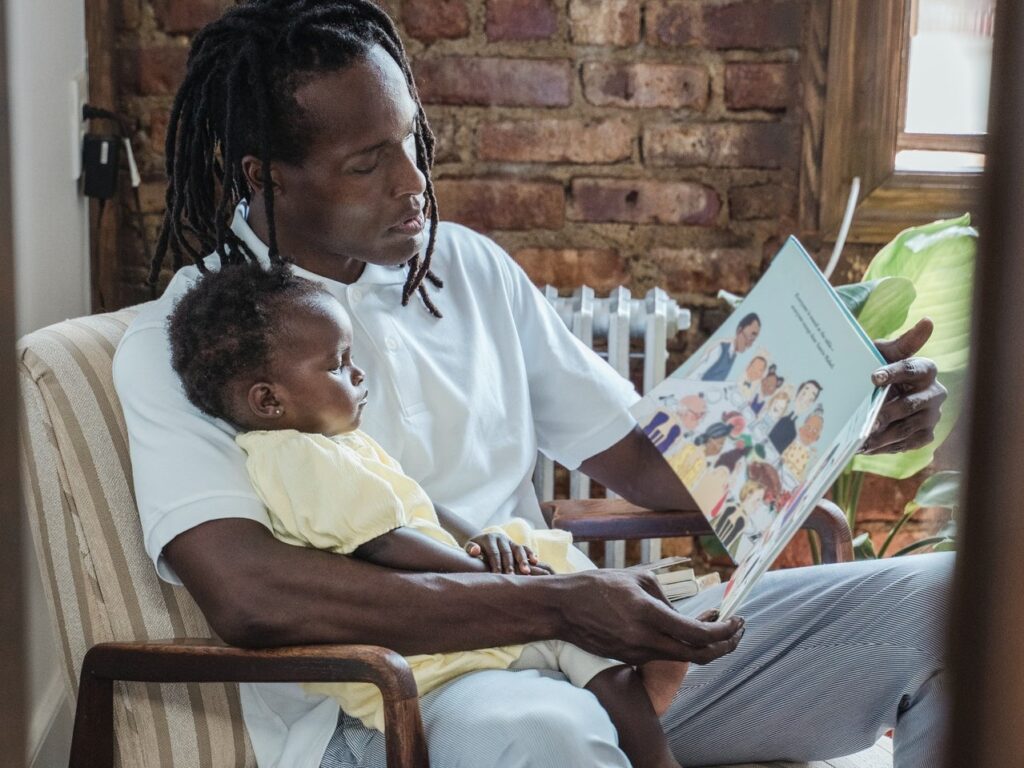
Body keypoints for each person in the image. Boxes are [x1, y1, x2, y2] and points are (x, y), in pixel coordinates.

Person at [113, 2, 952, 766]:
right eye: (368, 164)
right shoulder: (180, 341)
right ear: (265, 177)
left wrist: (842, 412)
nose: (413, 183)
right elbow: (252, 594)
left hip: (590, 653)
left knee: (956, 602)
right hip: (405, 699)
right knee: (543, 733)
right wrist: (551, 607)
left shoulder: (469, 268)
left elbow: (653, 464)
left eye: (411, 141)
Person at [166, 261, 688, 768]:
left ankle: (634, 691)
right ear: (268, 400)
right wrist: (493, 581)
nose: (358, 372)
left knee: (562, 586)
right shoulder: (299, 459)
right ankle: (652, 744)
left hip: (447, 609)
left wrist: (482, 539)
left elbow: (420, 507)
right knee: (580, 632)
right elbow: (384, 542)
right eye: (338, 365)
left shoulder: (332, 445)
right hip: (427, 653)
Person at [692, 312, 761, 381]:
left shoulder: (733, 356)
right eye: (751, 336)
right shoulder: (720, 348)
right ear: (739, 330)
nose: (750, 344)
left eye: (753, 340)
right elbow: (695, 375)